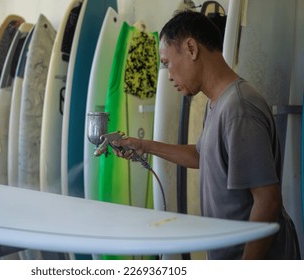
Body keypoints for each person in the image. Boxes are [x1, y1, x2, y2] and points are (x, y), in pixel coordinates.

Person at [112, 10, 301, 260]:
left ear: (191, 48)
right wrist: (143, 145)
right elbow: (203, 155)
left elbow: (267, 201)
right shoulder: (218, 102)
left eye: (167, 63)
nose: (168, 75)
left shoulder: (239, 108)